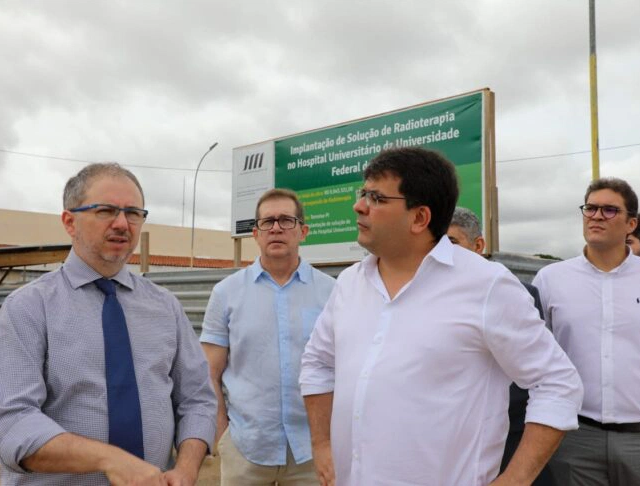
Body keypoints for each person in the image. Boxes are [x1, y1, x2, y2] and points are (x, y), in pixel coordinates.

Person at [300, 147, 583, 486]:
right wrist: (322, 444)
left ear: (419, 218)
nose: (359, 206)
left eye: (375, 197)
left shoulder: (487, 285)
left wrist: (515, 479)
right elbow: (317, 363)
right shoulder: (349, 282)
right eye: (363, 193)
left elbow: (557, 383)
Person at [0, 163, 217, 485]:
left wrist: (187, 467)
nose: (122, 223)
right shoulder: (28, 308)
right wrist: (111, 459)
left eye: (133, 212)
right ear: (69, 221)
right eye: (106, 210)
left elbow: (197, 399)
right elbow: (10, 424)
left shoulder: (165, 307)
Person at [533, 177, 640, 485]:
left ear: (631, 224)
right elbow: (533, 359)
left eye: (610, 210)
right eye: (590, 208)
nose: (597, 216)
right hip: (574, 440)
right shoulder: (550, 280)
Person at [200, 188, 335, 485]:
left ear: (303, 231)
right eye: (267, 222)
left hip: (312, 450)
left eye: (286, 220)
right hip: (245, 447)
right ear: (255, 234)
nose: (276, 228)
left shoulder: (332, 292)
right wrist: (222, 434)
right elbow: (210, 370)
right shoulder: (226, 293)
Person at [448, 206, 552, 486]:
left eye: (453, 243)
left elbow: (542, 378)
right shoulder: (421, 299)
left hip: (511, 435)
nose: (444, 253)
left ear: (478, 245)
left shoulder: (518, 294)